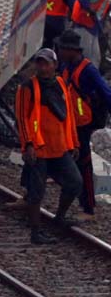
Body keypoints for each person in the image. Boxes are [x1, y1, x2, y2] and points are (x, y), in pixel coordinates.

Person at [15, 48, 82, 244]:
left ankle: (59, 217)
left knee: (74, 182)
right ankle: (36, 232)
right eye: (40, 63)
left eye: (46, 63)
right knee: (36, 191)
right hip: (39, 149)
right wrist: (28, 145)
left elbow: (68, 115)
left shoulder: (61, 84)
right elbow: (22, 119)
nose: (43, 67)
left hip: (60, 147)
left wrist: (74, 142)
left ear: (55, 65)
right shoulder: (27, 88)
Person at [57, 30, 111, 220]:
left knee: (84, 163)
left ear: (72, 50)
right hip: (66, 122)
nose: (60, 51)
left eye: (63, 48)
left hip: (82, 125)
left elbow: (106, 93)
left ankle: (88, 209)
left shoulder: (88, 70)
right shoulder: (65, 66)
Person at [71, 0, 109, 65]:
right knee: (85, 57)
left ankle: (93, 76)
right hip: (83, 25)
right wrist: (88, 8)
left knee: (95, 57)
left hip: (93, 27)